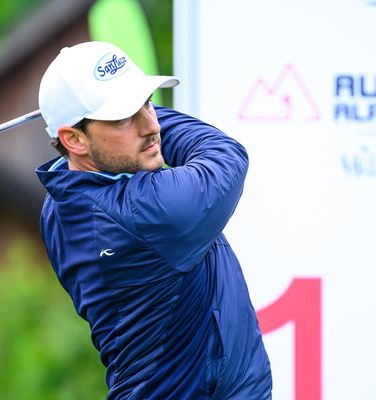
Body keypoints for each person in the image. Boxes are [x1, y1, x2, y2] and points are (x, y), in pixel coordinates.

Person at [35, 41, 272, 399]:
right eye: (124, 117)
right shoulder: (150, 213)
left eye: (147, 102)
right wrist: (135, 105)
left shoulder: (58, 203)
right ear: (74, 139)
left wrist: (122, 107)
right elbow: (226, 156)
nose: (152, 125)